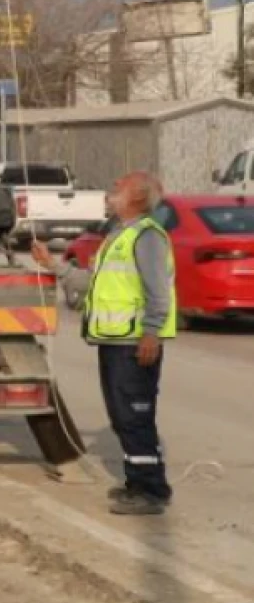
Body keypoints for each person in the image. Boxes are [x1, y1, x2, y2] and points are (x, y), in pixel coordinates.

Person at [32, 171, 176, 516]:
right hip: (114, 341)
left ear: (137, 199)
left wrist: (151, 333)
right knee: (121, 415)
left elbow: (159, 291)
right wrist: (53, 265)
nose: (111, 192)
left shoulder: (147, 237)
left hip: (134, 342)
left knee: (135, 415)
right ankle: (137, 482)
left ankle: (151, 490)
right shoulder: (118, 235)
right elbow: (90, 282)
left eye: (118, 188)